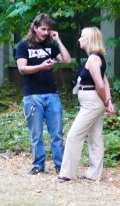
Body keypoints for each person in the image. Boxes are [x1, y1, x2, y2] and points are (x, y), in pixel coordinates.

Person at [15, 13, 72, 175]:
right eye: (43, 29)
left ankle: (60, 165)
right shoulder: (23, 46)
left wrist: (58, 40)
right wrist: (41, 67)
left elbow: (67, 60)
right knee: (36, 134)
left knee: (57, 133)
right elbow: (22, 69)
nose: (46, 32)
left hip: (52, 95)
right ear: (35, 28)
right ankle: (38, 164)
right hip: (32, 96)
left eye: (48, 29)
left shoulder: (50, 46)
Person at [58, 27, 115, 182]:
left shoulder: (93, 59)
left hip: (92, 102)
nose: (79, 39)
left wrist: (106, 101)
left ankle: (66, 173)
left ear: (89, 39)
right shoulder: (96, 57)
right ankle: (94, 173)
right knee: (95, 137)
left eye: (82, 36)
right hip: (92, 101)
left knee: (74, 135)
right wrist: (108, 101)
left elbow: (100, 85)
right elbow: (104, 81)